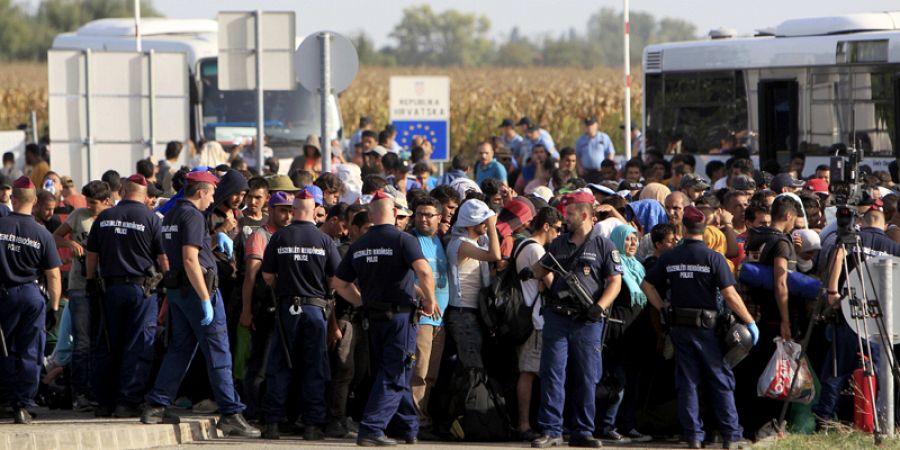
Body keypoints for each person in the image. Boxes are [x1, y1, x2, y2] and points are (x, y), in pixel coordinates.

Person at [141, 171, 260, 438]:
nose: (213, 199)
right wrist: (206, 298)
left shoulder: (173, 214)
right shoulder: (193, 215)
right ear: (201, 192)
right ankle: (231, 413)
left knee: (180, 349)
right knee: (219, 352)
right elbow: (189, 259)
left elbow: (188, 248)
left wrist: (215, 239)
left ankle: (156, 405)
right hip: (198, 291)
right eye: (211, 193)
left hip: (179, 292)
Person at [640, 206, 757, 449]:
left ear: (683, 228)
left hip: (680, 327)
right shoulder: (713, 258)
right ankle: (731, 435)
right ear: (704, 229)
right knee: (720, 379)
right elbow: (730, 295)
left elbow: (646, 285)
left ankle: (693, 435)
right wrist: (749, 321)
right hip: (708, 329)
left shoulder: (671, 257)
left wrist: (663, 308)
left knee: (688, 381)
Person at [332, 189, 437, 446]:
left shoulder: (359, 245)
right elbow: (424, 271)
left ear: (370, 215)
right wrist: (430, 300)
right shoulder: (403, 240)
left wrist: (361, 301)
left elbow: (339, 283)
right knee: (395, 372)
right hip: (400, 318)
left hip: (374, 319)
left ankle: (407, 427)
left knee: (394, 370)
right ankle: (372, 429)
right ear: (394, 212)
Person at [528, 191, 623, 448]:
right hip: (558, 316)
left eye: (570, 214)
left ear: (584, 215)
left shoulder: (604, 246)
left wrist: (600, 307)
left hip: (587, 320)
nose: (565, 218)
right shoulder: (559, 243)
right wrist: (527, 270)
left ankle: (583, 431)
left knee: (587, 377)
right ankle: (551, 430)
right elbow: (541, 268)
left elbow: (615, 282)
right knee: (552, 374)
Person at [258, 187, 342, 440]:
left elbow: (267, 275)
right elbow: (335, 279)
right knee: (314, 367)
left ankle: (272, 423)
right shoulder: (325, 241)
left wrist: (285, 286)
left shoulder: (279, 238)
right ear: (314, 212)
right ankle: (312, 425)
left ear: (294, 211)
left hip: (287, 309)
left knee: (280, 364)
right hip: (316, 310)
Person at [83, 174, 167, 417]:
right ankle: (127, 401)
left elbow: (91, 255)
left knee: (108, 343)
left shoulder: (104, 217)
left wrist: (90, 281)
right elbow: (163, 258)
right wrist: (168, 280)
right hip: (142, 291)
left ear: (122, 191)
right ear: (144, 194)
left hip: (110, 289)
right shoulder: (151, 218)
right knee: (138, 346)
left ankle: (104, 402)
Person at [813, 196, 900, 426]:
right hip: (880, 321)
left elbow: (838, 256)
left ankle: (823, 419)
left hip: (850, 314)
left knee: (837, 370)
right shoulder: (895, 248)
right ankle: (879, 421)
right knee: (881, 373)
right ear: (885, 221)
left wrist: (832, 292)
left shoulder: (853, 239)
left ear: (861, 220)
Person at [0, 176, 62, 424]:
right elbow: (54, 275)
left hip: (3, 295)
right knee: (30, 350)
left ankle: (5, 400)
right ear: (35, 201)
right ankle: (23, 404)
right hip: (31, 295)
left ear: (13, 199)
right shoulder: (42, 233)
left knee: (4, 348)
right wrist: (54, 307)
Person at [51, 180, 113, 412]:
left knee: (100, 341)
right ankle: (80, 393)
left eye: (93, 202)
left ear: (106, 201)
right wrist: (70, 243)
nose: (89, 206)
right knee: (82, 342)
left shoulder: (111, 218)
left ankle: (98, 390)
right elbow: (55, 236)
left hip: (105, 285)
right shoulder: (78, 216)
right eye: (87, 201)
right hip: (80, 285)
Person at [238, 191, 295, 421]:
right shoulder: (259, 236)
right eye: (282, 210)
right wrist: (246, 310)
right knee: (260, 363)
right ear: (269, 210)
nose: (287, 216)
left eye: (290, 211)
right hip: (264, 309)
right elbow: (250, 278)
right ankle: (253, 411)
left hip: (284, 308)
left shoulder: (289, 235)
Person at [513, 206, 561, 441]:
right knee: (530, 372)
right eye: (557, 229)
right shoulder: (536, 249)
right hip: (536, 319)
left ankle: (527, 422)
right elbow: (552, 283)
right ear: (546, 226)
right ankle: (524, 424)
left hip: (527, 315)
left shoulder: (522, 244)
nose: (559, 234)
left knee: (529, 372)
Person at [409, 196, 450, 439]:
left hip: (440, 321)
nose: (423, 219)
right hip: (421, 318)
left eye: (428, 215)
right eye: (419, 214)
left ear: (439, 217)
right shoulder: (411, 240)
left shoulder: (441, 240)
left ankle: (423, 418)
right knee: (419, 373)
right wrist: (425, 297)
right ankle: (415, 424)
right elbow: (404, 278)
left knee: (431, 375)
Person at [445, 199, 501, 370]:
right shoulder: (461, 244)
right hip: (463, 314)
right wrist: (492, 225)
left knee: (470, 365)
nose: (486, 224)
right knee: (473, 367)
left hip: (472, 313)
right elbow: (494, 255)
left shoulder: (473, 244)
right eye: (483, 221)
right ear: (471, 223)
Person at [576, 117, 616, 183]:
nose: (589, 127)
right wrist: (580, 167)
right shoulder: (581, 140)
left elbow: (610, 153)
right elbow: (577, 155)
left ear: (596, 125)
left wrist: (607, 167)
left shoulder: (604, 137)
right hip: (586, 173)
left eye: (591, 125)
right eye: (588, 125)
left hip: (601, 172)